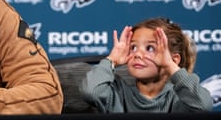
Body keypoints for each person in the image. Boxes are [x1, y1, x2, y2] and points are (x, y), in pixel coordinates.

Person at [79, 17, 213, 113]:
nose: (137, 54)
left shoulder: (180, 97)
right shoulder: (117, 92)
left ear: (174, 59)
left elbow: (202, 106)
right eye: (133, 47)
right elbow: (90, 92)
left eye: (150, 48)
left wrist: (169, 65)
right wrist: (111, 60)